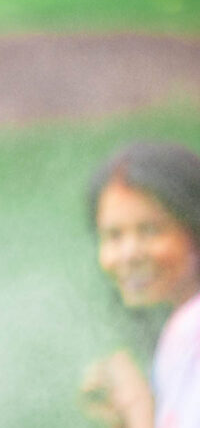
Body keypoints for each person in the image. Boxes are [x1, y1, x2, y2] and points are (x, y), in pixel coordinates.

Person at [81, 141, 200, 428]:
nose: (129, 254)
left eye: (150, 230)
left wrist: (139, 411)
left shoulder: (191, 328)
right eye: (114, 236)